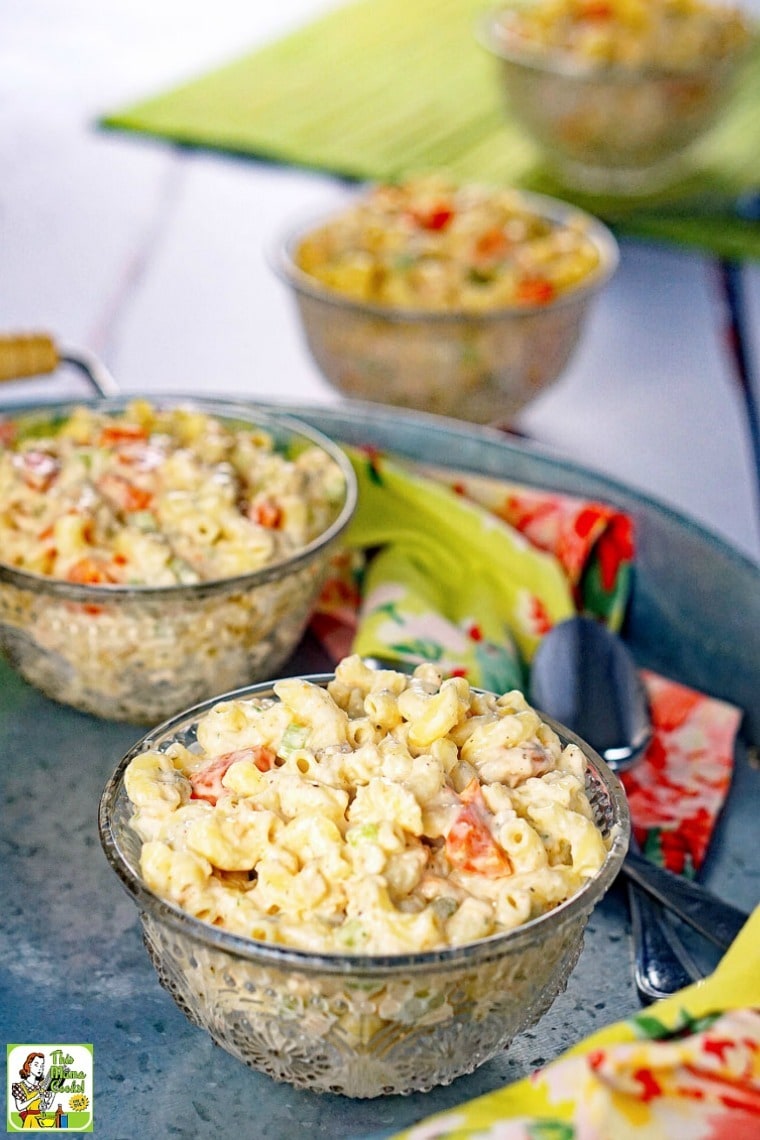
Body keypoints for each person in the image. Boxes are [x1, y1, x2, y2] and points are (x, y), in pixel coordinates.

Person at [11, 1053, 54, 1129]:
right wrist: (34, 1098)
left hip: (41, 1120)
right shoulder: (19, 1087)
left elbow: (46, 1107)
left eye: (42, 1066)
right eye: (36, 1065)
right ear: (29, 1065)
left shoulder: (41, 1086)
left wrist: (52, 1094)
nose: (40, 1068)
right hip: (29, 1121)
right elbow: (19, 1107)